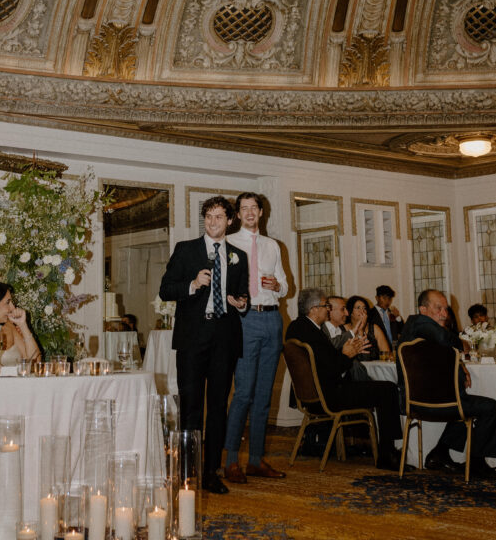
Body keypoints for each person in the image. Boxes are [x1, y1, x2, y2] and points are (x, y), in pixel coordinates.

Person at [160, 196, 248, 494]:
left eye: (219, 217)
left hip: (225, 337)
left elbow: (241, 296)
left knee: (218, 408)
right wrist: (193, 284)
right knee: (191, 405)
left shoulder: (238, 256)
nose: (213, 222)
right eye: (208, 216)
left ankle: (211, 472)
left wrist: (241, 303)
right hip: (192, 338)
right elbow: (165, 290)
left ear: (230, 220)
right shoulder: (186, 250)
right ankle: (188, 470)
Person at [285, 288, 402, 469]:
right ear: (314, 309)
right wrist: (348, 354)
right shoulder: (313, 333)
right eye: (326, 306)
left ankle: (386, 451)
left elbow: (324, 363)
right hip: (330, 395)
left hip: (312, 396)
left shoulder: (296, 328)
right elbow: (332, 368)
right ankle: (387, 453)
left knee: (381, 387)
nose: (328, 310)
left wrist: (346, 353)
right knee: (388, 389)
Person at [397, 289, 496, 478]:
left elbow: (438, 356)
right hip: (435, 402)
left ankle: (439, 454)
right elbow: (447, 340)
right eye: (438, 308)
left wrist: (460, 366)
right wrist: (463, 344)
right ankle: (476, 463)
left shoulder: (420, 331)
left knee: (465, 405)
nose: (444, 313)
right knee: (490, 407)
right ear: (423, 309)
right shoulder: (420, 323)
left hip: (417, 402)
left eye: (446, 309)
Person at [223, 193, 287, 484]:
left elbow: (286, 285)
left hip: (273, 318)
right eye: (244, 208)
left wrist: (278, 285)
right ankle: (232, 460)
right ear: (237, 214)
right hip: (244, 320)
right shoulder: (229, 243)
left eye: (254, 208)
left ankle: (257, 460)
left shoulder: (273, 245)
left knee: (263, 396)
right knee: (244, 393)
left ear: (261, 212)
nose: (249, 213)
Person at [325, 296, 369, 381]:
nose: (347, 313)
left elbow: (364, 358)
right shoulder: (321, 329)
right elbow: (331, 345)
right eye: (343, 309)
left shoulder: (341, 331)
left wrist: (360, 330)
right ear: (329, 311)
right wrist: (354, 331)